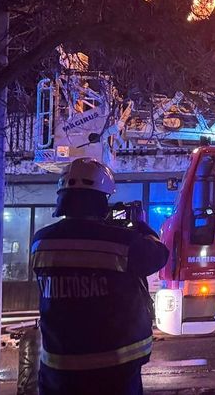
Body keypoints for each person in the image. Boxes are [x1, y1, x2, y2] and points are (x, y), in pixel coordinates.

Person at [31, 158, 169, 395]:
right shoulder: (122, 242)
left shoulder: (40, 241)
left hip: (57, 371)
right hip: (114, 370)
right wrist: (142, 227)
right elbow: (159, 255)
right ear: (100, 199)